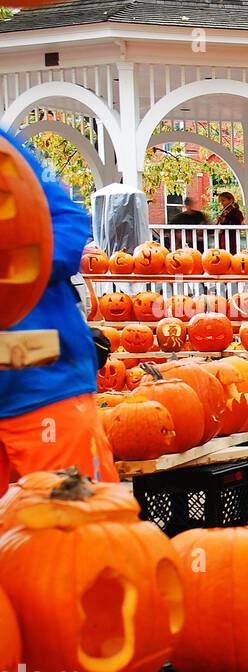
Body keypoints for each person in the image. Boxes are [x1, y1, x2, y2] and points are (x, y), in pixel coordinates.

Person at [0, 128, 118, 482]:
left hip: (43, 380)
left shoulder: (9, 157)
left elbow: (67, 218)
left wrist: (23, 266)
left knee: (72, 524)